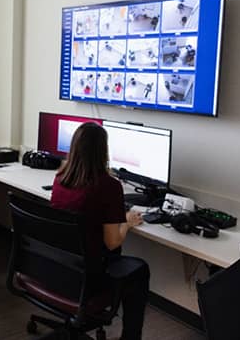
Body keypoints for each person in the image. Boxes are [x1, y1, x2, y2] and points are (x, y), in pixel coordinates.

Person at [50, 122, 150, 340]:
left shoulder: (60, 178)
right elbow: (113, 243)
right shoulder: (109, 186)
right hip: (91, 274)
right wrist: (128, 222)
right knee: (139, 270)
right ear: (103, 151)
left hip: (58, 267)